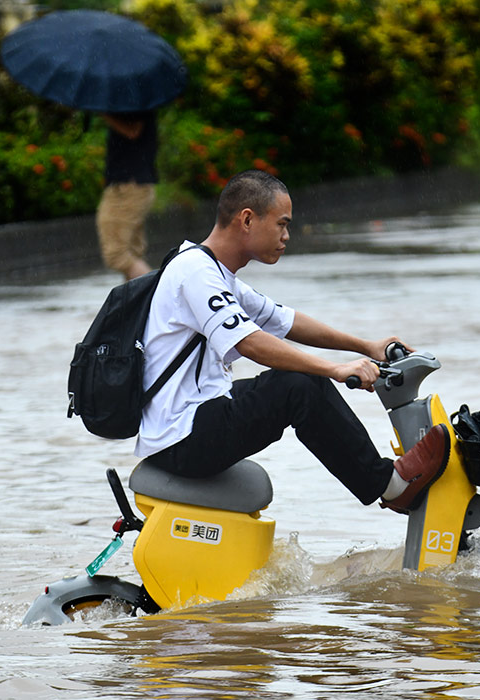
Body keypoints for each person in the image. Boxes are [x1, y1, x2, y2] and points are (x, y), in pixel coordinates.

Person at [136, 169, 449, 513]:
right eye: (282, 224)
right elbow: (251, 343)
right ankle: (391, 486)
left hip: (193, 421)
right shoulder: (196, 273)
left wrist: (365, 346)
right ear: (247, 220)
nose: (286, 236)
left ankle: (389, 480)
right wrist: (334, 370)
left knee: (301, 379)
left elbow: (285, 321)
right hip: (182, 437)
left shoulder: (213, 270)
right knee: (299, 385)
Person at [96, 111, 158, 280]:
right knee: (133, 252)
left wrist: (104, 114)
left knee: (117, 254)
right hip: (132, 185)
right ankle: (139, 304)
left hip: (129, 187)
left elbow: (133, 130)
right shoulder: (135, 98)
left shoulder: (133, 101)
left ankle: (158, 297)